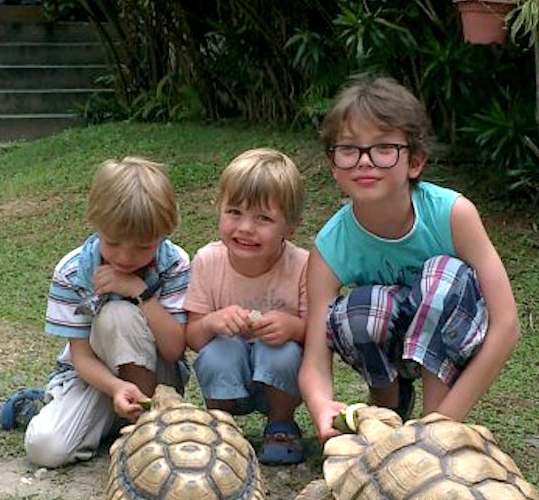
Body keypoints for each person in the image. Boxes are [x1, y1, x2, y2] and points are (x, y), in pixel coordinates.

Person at [299, 75, 520, 441]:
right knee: (359, 308)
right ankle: (387, 409)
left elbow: (506, 324)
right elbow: (314, 357)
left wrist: (445, 422)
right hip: (394, 340)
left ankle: (433, 422)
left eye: (384, 148)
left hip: (458, 333)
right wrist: (321, 405)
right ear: (333, 164)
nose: (364, 162)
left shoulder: (452, 214)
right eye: (349, 149)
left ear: (414, 161)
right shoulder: (329, 246)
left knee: (442, 276)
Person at [2, 157, 191, 469]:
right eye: (113, 243)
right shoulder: (74, 270)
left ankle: (140, 424)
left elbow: (173, 349)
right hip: (99, 379)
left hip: (160, 377)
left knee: (119, 314)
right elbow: (81, 356)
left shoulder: (174, 264)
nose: (125, 257)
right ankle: (39, 408)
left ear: (164, 233)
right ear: (95, 224)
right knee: (45, 449)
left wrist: (138, 291)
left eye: (143, 247)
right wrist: (116, 387)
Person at [185, 148, 309, 466]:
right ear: (219, 209)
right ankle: (220, 425)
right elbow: (193, 337)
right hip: (229, 374)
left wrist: (293, 327)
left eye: (263, 218)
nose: (245, 228)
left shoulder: (302, 265)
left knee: (284, 350)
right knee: (217, 351)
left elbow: (319, 336)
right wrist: (213, 322)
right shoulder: (207, 261)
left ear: (290, 227)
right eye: (234, 212)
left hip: (279, 381)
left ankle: (281, 425)